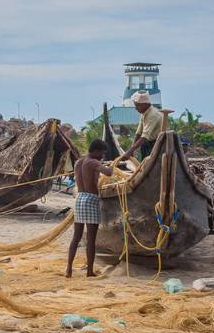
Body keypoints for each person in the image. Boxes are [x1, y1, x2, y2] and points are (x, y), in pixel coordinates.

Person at [66, 139, 114, 278]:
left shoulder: (79, 162)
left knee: (76, 236)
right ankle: (89, 271)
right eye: (102, 153)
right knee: (91, 239)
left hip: (79, 198)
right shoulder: (93, 162)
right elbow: (109, 173)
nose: (102, 156)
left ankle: (68, 270)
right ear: (96, 151)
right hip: (91, 200)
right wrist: (113, 164)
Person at [120, 90, 164, 161]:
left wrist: (130, 151)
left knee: (149, 166)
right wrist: (131, 150)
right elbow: (138, 133)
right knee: (143, 165)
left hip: (156, 144)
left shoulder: (153, 114)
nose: (135, 108)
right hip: (147, 144)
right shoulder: (144, 113)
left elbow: (144, 137)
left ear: (145, 104)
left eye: (137, 105)